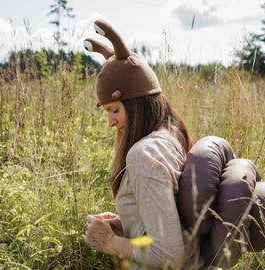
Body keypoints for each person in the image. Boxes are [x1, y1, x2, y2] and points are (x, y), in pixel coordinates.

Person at [83, 19, 197, 269]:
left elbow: (167, 254)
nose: (111, 122)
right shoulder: (172, 136)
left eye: (114, 109)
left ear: (136, 104)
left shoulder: (143, 154)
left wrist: (109, 241)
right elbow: (174, 218)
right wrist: (127, 223)